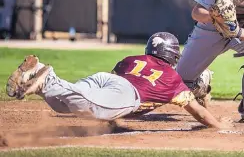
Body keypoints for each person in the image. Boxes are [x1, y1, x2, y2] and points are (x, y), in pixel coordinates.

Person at [6, 32, 232, 129]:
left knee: (67, 105)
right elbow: (200, 113)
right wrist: (220, 125)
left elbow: (112, 84)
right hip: (128, 92)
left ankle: (40, 83)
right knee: (90, 106)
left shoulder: (132, 59)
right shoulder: (172, 78)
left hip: (105, 79)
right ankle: (47, 78)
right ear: (172, 55)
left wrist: (115, 119)